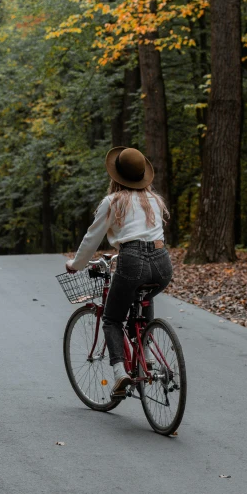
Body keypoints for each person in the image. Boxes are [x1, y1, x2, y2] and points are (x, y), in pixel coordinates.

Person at [66, 146, 173, 397]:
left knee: (112, 319)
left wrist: (76, 265)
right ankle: (147, 356)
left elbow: (92, 238)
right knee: (144, 298)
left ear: (116, 176)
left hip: (132, 260)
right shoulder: (154, 201)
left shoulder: (113, 201)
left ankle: (120, 374)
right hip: (162, 263)